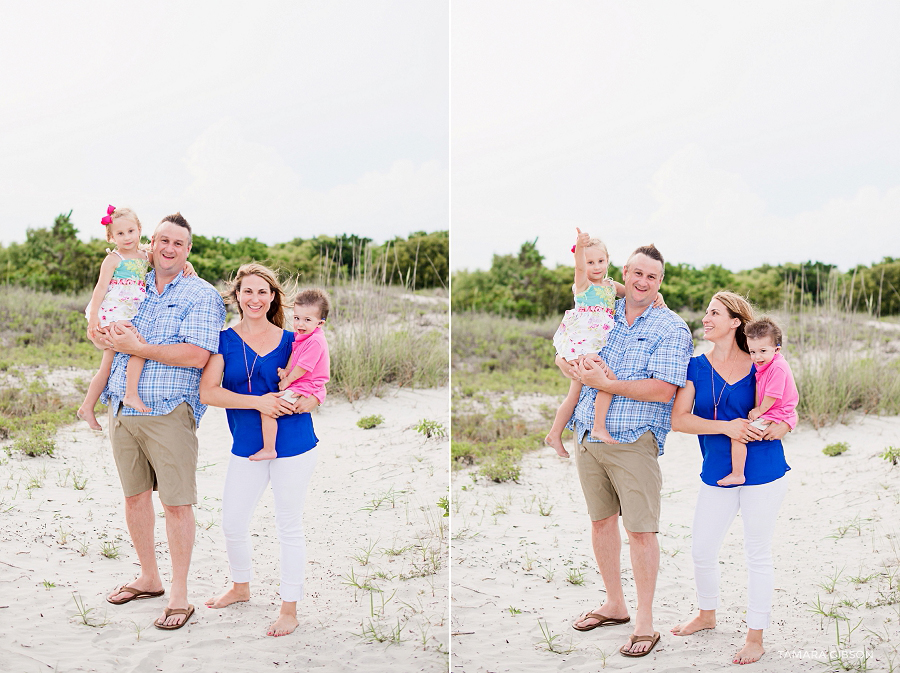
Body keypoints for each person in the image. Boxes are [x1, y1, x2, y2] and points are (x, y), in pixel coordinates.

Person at [558, 244, 692, 658]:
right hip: (587, 435)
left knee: (640, 531)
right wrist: (571, 365)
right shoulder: (602, 311)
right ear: (625, 273)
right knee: (601, 524)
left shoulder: (673, 328)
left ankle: (645, 623)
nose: (642, 282)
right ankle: (614, 604)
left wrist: (607, 386)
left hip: (633, 440)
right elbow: (572, 351)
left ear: (660, 282)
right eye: (637, 273)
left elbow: (664, 389)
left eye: (652, 277)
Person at [98, 212, 226, 631]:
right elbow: (103, 324)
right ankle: (149, 578)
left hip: (169, 410)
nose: (169, 249)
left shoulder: (201, 294)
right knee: (135, 498)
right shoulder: (130, 281)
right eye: (163, 241)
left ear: (188, 250)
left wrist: (141, 346)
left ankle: (179, 594)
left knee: (175, 503)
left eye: (179, 244)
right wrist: (99, 334)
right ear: (151, 243)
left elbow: (196, 355)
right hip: (121, 407)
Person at [670, 291, 792, 665]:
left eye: (714, 313)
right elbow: (679, 420)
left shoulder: (763, 361)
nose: (705, 319)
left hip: (764, 471)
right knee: (702, 549)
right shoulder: (695, 366)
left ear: (736, 321)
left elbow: (788, 406)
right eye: (705, 312)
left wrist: (785, 425)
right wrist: (726, 428)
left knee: (757, 553)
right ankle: (707, 614)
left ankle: (755, 637)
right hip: (717, 472)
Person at [199, 264, 321, 637]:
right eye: (247, 291)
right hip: (247, 446)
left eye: (262, 292)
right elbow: (209, 392)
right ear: (237, 295)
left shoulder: (292, 339)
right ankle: (240, 586)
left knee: (288, 525)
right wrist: (258, 403)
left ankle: (289, 609)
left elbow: (317, 383)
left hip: (295, 445)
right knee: (232, 522)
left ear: (273, 297)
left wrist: (307, 402)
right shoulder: (224, 340)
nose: (255, 298)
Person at [546, 229, 665, 455]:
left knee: (574, 393)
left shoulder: (610, 286)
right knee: (608, 378)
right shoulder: (584, 286)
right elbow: (579, 268)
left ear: (608, 260)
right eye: (590, 262)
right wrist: (579, 248)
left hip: (592, 345)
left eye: (601, 260)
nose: (596, 266)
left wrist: (657, 295)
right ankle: (598, 427)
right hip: (582, 344)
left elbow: (633, 293)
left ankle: (554, 434)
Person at [77, 205, 150, 429]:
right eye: (120, 233)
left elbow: (169, 260)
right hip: (114, 312)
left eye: (130, 231)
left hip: (129, 313)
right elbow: (100, 289)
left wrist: (187, 264)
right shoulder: (113, 259)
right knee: (140, 347)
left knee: (107, 364)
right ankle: (130, 394)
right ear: (111, 237)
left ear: (139, 230)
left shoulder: (146, 255)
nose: (127, 237)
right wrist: (93, 319)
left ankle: (87, 407)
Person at [252, 288, 331, 461]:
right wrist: (286, 370)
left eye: (307, 320)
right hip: (302, 383)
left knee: (268, 409)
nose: (300, 324)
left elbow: (303, 367)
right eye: (296, 318)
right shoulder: (302, 336)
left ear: (320, 323)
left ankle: (269, 448)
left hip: (307, 386)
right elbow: (294, 354)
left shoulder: (316, 340)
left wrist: (287, 380)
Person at [718, 316, 798, 486]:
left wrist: (759, 410)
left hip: (776, 411)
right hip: (776, 410)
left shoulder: (777, 367)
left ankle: (737, 473)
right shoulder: (767, 363)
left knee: (739, 435)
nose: (756, 357)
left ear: (776, 350)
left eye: (763, 351)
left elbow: (772, 395)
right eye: (752, 351)